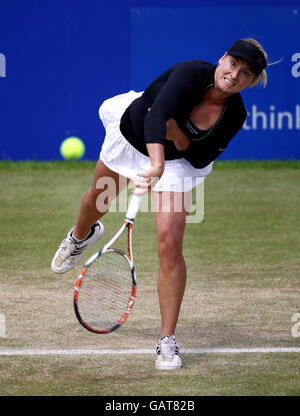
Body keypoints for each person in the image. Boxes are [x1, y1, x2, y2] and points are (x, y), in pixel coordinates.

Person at [51, 38, 268, 370]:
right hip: (135, 134)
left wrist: (178, 140)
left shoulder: (234, 115)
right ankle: (80, 236)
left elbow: (199, 157)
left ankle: (167, 340)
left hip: (178, 164)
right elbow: (156, 119)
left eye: (246, 73)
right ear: (222, 59)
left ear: (251, 82)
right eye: (233, 63)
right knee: (99, 198)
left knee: (170, 244)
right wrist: (156, 164)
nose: (235, 74)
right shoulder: (190, 74)